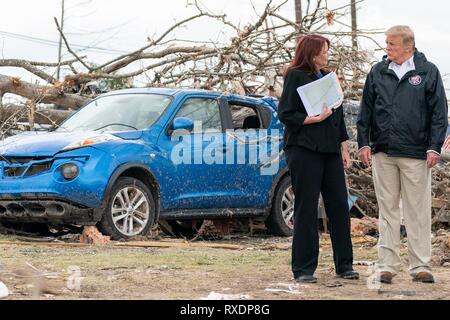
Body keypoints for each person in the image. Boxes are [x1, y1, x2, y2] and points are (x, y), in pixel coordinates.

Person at [357, 25, 448, 284]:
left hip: (416, 153)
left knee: (417, 210)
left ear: (408, 47)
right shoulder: (377, 71)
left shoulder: (427, 71)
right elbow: (366, 111)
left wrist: (434, 147)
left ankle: (421, 266)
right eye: (386, 43)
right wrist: (364, 143)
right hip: (383, 152)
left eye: (391, 44)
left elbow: (439, 114)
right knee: (387, 210)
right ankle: (387, 265)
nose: (387, 48)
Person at [278, 34, 358, 283]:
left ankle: (344, 265)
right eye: (323, 51)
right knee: (307, 206)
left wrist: (344, 147)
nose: (326, 55)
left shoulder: (328, 77)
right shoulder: (295, 75)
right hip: (304, 149)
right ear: (311, 53)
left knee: (338, 206)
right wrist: (315, 119)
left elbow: (339, 114)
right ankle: (303, 268)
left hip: (330, 150)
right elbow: (286, 114)